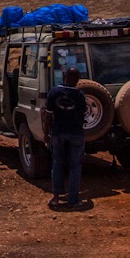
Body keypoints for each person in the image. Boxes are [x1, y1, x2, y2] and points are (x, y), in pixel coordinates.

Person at [43, 67, 87, 209]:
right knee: (75, 167)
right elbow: (84, 114)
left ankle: (56, 198)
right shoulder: (79, 95)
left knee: (57, 164)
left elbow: (48, 116)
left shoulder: (54, 92)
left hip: (58, 133)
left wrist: (45, 133)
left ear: (64, 76)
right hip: (76, 134)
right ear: (77, 80)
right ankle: (72, 201)